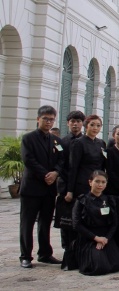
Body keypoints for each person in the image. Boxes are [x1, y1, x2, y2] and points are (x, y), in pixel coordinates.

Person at [19, 105, 64, 268]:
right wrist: (46, 174)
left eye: (51, 119)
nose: (48, 122)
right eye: (45, 119)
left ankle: (45, 253)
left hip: (49, 189)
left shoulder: (56, 140)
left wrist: (56, 173)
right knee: (27, 222)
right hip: (32, 188)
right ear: (38, 119)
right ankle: (25, 255)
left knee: (45, 222)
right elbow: (28, 160)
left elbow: (61, 160)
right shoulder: (28, 138)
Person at [72, 170, 119, 275]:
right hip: (88, 237)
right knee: (99, 267)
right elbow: (76, 224)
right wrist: (96, 238)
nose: (100, 185)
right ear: (90, 182)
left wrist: (106, 238)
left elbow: (115, 223)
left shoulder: (110, 200)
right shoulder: (82, 200)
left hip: (106, 237)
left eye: (103, 182)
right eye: (97, 181)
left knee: (116, 265)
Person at [55, 110, 85, 264]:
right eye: (73, 121)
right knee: (66, 221)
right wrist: (67, 189)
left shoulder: (89, 141)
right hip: (66, 187)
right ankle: (67, 251)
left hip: (83, 187)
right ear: (68, 123)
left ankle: (80, 250)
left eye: (78, 121)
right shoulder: (62, 142)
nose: (75, 124)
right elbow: (61, 165)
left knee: (81, 220)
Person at [66, 115, 106, 202]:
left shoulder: (101, 143)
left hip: (98, 184)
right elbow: (73, 167)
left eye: (98, 125)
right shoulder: (78, 143)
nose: (95, 128)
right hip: (82, 183)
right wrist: (70, 190)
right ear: (86, 126)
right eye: (92, 125)